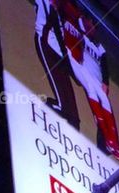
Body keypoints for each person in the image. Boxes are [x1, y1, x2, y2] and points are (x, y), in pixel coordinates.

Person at [53, 0, 119, 160]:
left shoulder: (99, 47)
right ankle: (104, 146)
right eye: (89, 24)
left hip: (99, 83)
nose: (91, 28)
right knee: (96, 110)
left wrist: (106, 83)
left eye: (93, 26)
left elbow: (105, 67)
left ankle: (111, 145)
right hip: (87, 77)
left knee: (107, 110)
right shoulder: (80, 35)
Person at [33, 0, 80, 128]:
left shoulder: (62, 9)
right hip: (46, 45)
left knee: (73, 116)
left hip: (58, 52)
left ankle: (71, 131)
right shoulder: (48, 5)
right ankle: (34, 110)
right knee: (63, 106)